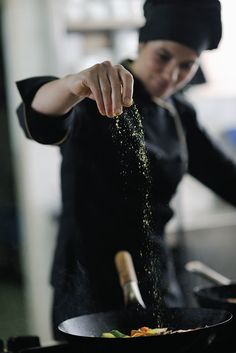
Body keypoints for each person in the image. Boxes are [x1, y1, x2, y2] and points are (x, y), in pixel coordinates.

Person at [16, 0, 236, 340]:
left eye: (186, 66)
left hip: (159, 280)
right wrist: (72, 85)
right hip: (90, 290)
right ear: (142, 42)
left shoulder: (179, 112)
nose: (171, 75)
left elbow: (227, 178)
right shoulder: (96, 95)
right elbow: (39, 116)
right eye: (163, 56)